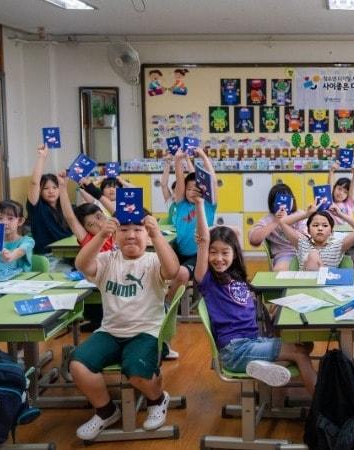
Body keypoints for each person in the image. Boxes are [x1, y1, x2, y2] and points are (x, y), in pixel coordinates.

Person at [69, 215, 180, 441]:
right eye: (124, 229)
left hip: (146, 333)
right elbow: (81, 264)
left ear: (147, 234)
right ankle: (107, 410)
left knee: (136, 373)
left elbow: (172, 271)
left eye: (138, 229)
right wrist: (101, 235)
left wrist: (157, 234)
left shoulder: (152, 260)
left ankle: (158, 399)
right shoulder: (107, 259)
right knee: (78, 364)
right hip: (110, 331)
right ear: (115, 234)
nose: (131, 235)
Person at [193, 197, 317, 393]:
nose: (218, 258)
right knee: (300, 353)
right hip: (235, 350)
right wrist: (200, 205)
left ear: (235, 254)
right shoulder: (207, 280)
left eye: (225, 252)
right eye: (213, 253)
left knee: (306, 344)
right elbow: (203, 240)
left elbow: (237, 232)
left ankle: (263, 368)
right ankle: (324, 412)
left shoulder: (236, 277)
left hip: (253, 341)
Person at [168, 148, 217, 299]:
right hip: (179, 251)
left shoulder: (207, 204)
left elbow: (212, 181)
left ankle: (166, 305)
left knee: (182, 273)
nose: (191, 192)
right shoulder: (181, 204)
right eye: (188, 189)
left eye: (195, 188)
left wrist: (202, 156)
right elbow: (179, 179)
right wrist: (177, 161)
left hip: (197, 254)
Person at [279, 203, 354, 270]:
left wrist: (340, 214)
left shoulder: (337, 246)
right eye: (315, 225)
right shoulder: (302, 243)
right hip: (306, 287)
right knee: (313, 255)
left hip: (327, 287)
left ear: (331, 232)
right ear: (308, 230)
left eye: (325, 226)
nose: (320, 228)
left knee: (313, 255)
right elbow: (283, 222)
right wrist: (306, 214)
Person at [26, 145, 73, 262]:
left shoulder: (65, 208)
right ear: (40, 191)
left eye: (54, 187)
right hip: (49, 258)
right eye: (46, 188)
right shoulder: (37, 208)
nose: (51, 191)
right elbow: (34, 183)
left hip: (70, 254)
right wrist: (42, 157)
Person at [248, 184, 307, 271]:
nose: (283, 205)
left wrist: (285, 223)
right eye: (278, 201)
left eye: (286, 200)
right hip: (284, 254)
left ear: (292, 201)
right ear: (272, 204)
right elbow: (254, 240)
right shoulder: (268, 219)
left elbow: (305, 241)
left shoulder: (300, 215)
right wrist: (275, 222)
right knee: (279, 270)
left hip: (305, 252)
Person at [57, 171, 114, 251]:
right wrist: (62, 187)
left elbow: (114, 211)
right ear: (86, 229)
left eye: (99, 216)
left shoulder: (117, 230)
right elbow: (70, 218)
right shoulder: (89, 240)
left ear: (103, 213)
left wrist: (90, 187)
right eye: (91, 224)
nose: (100, 225)